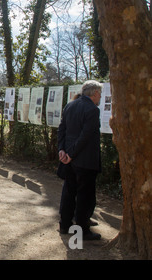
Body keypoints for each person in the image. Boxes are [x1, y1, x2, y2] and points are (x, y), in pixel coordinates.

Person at [57, 80, 103, 241]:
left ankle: (65, 224)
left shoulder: (70, 105)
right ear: (95, 93)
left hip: (69, 159)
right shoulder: (92, 109)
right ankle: (82, 229)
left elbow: (62, 129)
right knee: (85, 194)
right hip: (84, 159)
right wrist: (70, 153)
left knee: (69, 192)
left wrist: (62, 150)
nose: (100, 97)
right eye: (100, 94)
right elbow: (86, 135)